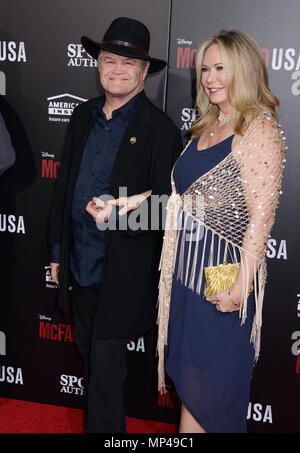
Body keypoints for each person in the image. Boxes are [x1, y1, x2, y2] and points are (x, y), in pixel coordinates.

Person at [48, 17, 182, 433]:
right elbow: (64, 187)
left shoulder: (160, 130)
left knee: (104, 373)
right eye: (109, 59)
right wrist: (57, 252)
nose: (117, 69)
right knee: (94, 363)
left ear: (145, 72)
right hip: (80, 264)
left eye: (128, 63)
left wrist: (119, 214)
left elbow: (169, 209)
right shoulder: (83, 115)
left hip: (121, 272)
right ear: (98, 65)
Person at [157, 29, 286, 433]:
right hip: (186, 280)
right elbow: (186, 199)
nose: (210, 78)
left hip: (221, 287)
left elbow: (260, 221)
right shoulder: (208, 123)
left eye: (220, 69)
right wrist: (128, 203)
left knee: (214, 401)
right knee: (193, 398)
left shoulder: (258, 129)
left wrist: (237, 290)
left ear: (244, 71)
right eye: (206, 69)